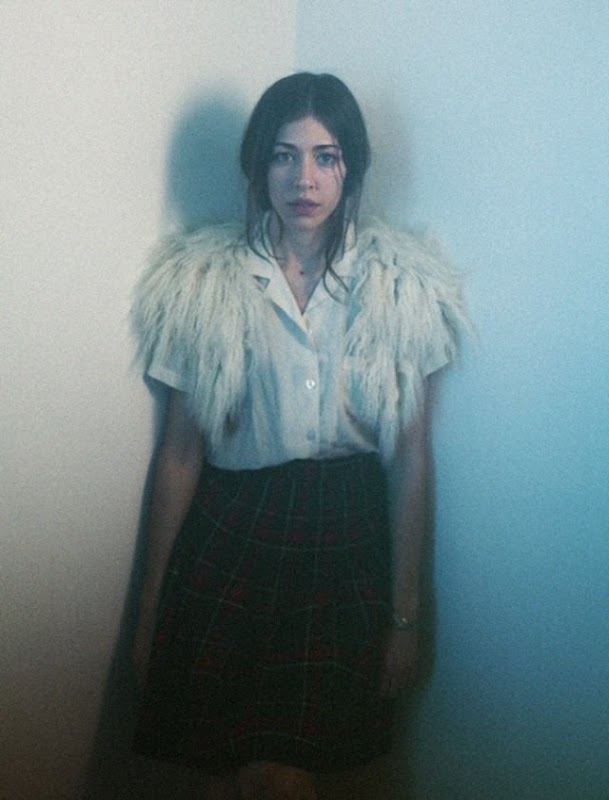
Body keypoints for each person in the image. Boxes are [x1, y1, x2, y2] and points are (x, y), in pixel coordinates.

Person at [130, 72, 469, 800]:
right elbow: (180, 456)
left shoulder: (401, 287)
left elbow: (411, 459)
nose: (303, 179)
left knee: (285, 777)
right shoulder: (203, 285)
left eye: (325, 156)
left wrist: (405, 616)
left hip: (345, 537)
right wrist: (151, 610)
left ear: (351, 167)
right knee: (233, 773)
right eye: (283, 155)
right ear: (258, 165)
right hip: (233, 530)